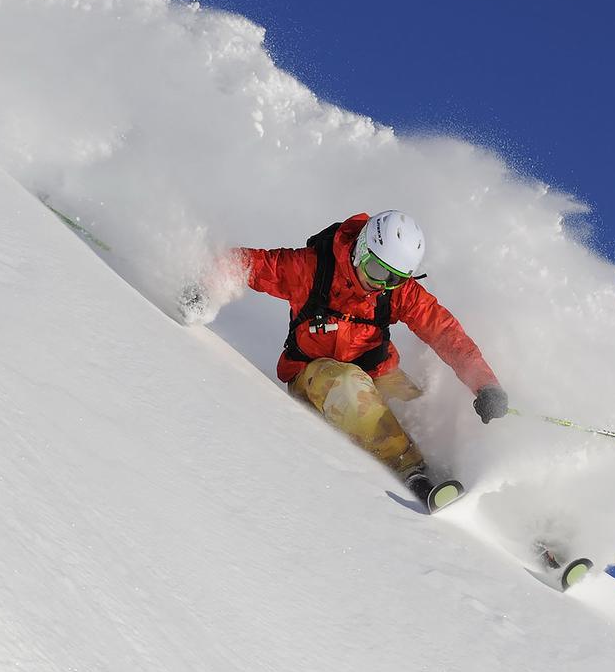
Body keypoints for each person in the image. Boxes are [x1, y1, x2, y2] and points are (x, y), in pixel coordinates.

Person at [200, 210, 509, 501]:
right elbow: (247, 264)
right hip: (316, 376)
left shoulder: (393, 291)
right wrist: (203, 286)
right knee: (351, 386)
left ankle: (511, 514)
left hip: (379, 375)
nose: (381, 285)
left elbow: (445, 332)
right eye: (377, 271)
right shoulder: (312, 270)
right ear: (361, 248)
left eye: (395, 279)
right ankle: (413, 471)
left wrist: (486, 385)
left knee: (425, 413)